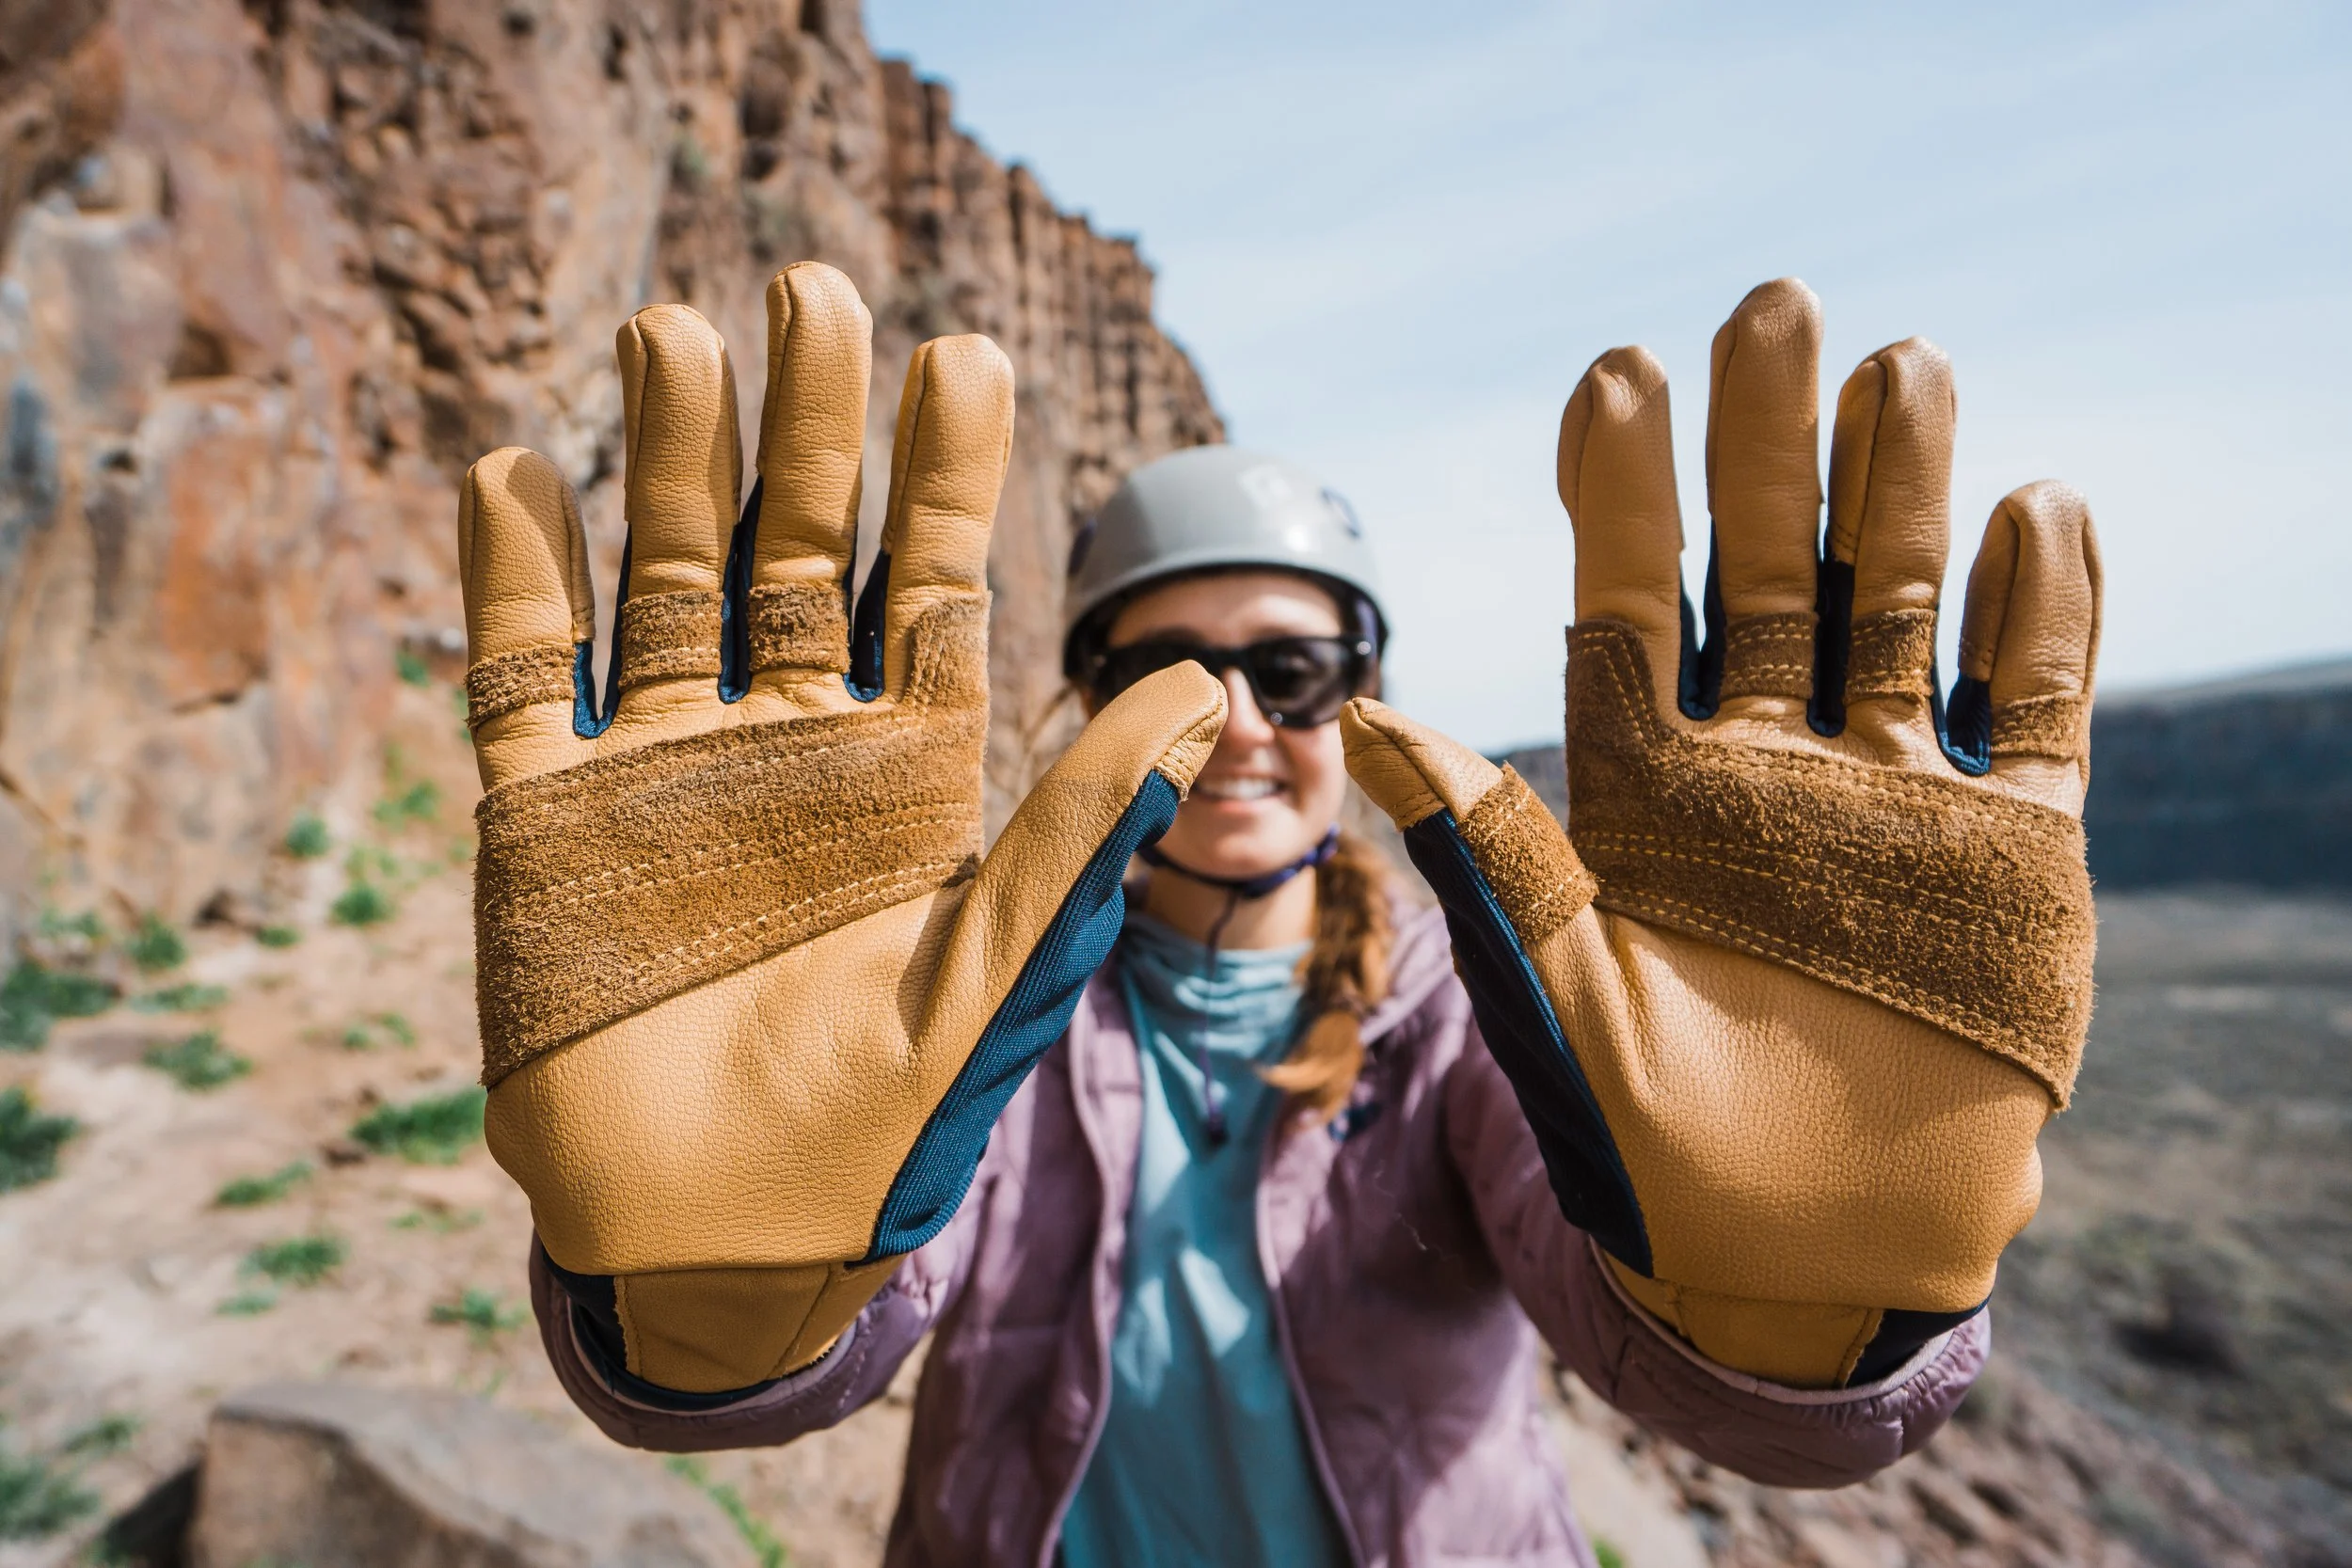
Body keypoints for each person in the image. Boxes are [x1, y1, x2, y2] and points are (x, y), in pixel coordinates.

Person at [459, 264, 2101, 1567]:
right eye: (1169, 672)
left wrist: (1811, 1311)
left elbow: (1666, 1362)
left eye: (1296, 670)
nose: (1239, 720)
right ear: (1084, 708)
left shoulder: (1480, 1012)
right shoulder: (959, 1013)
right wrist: (715, 1297)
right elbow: (826, 1354)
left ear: (1364, 698)